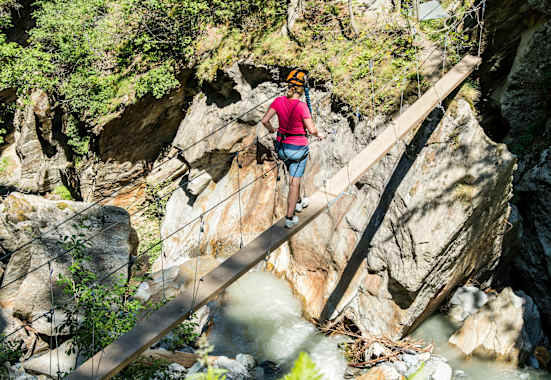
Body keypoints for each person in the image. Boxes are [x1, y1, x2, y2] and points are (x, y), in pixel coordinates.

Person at [261, 69, 325, 228]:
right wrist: (319, 134)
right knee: (294, 182)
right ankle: (289, 217)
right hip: (297, 150)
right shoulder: (302, 106)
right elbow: (311, 130)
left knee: (292, 173)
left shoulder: (278, 101)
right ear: (302, 89)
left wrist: (271, 130)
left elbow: (265, 120)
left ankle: (298, 201)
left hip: (282, 149)